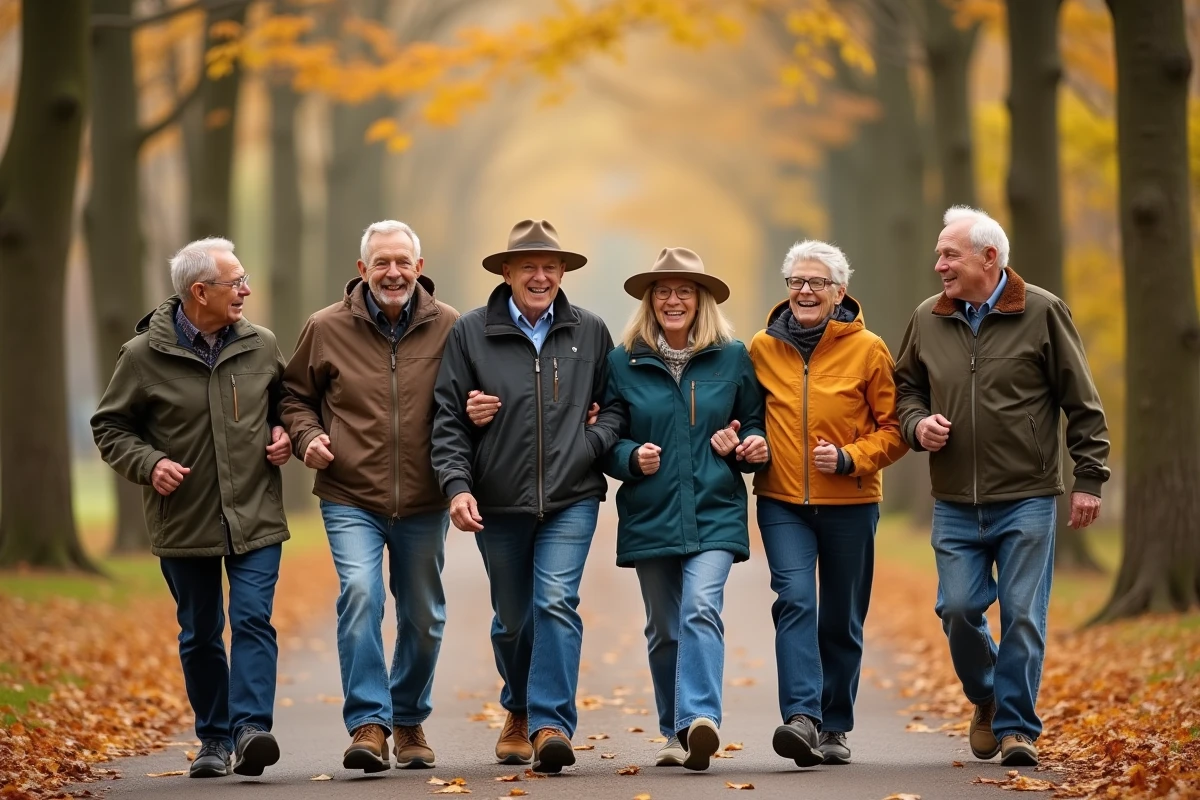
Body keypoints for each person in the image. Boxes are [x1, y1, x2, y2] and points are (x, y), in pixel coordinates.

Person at [895, 206, 1110, 768]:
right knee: (959, 609)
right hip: (955, 503)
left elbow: (1081, 402)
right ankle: (987, 696)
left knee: (1021, 615)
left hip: (1028, 495)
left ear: (989, 257)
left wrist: (1088, 479)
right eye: (939, 253)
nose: (937, 263)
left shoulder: (1042, 311)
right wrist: (917, 424)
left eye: (949, 254)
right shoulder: (927, 317)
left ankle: (1017, 729)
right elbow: (904, 390)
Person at [91, 237, 290, 779]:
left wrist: (285, 432)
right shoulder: (140, 356)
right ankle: (213, 738)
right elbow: (109, 427)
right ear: (199, 292)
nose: (246, 290)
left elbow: (290, 402)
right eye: (235, 282)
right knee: (200, 632)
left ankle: (250, 729)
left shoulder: (261, 344)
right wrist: (149, 462)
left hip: (255, 514)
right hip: (184, 519)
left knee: (252, 619)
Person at [431, 219, 622, 774]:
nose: (540, 277)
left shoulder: (591, 331)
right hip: (499, 499)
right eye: (528, 267)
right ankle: (517, 706)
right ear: (507, 272)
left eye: (550, 267)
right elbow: (447, 417)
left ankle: (550, 726)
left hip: (572, 495)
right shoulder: (470, 332)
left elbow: (614, 405)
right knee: (513, 618)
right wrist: (458, 487)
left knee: (556, 602)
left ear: (563, 272)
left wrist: (593, 441)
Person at [279, 220, 459, 772]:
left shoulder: (450, 327)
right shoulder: (326, 327)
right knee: (360, 594)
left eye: (403, 261)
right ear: (362, 270)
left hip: (426, 498)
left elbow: (471, 397)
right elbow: (292, 397)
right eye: (381, 262)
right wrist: (307, 437)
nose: (393, 272)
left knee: (424, 615)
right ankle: (369, 724)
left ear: (419, 268)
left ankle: (407, 719)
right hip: (349, 493)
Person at [601, 247, 768, 771]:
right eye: (664, 291)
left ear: (701, 301)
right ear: (650, 301)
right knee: (664, 627)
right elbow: (604, 435)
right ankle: (675, 733)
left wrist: (744, 445)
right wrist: (631, 457)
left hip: (715, 508)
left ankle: (701, 720)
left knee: (700, 607)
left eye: (684, 291)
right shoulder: (621, 360)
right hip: (650, 511)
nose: (673, 300)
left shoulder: (733, 357)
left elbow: (755, 423)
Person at [750, 240, 908, 767]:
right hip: (781, 501)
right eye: (796, 281)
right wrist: (747, 443)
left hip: (851, 501)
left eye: (817, 282)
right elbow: (746, 416)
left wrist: (848, 458)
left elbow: (895, 431)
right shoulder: (761, 348)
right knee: (795, 600)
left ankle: (835, 724)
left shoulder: (870, 349)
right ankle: (802, 718)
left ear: (840, 291)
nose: (805, 291)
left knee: (841, 616)